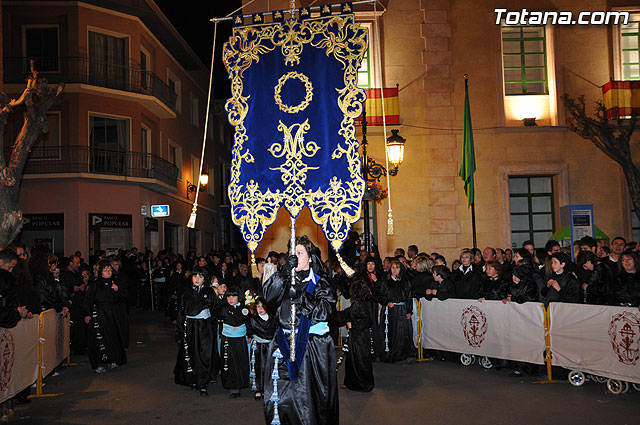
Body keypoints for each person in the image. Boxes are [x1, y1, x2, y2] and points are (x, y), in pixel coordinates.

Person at [262, 235, 338, 424]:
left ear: (310, 257)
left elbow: (325, 311)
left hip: (312, 347)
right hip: (282, 345)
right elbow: (268, 297)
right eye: (291, 254)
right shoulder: (284, 279)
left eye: (299, 253)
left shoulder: (321, 283)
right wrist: (283, 272)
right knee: (284, 400)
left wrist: (302, 298)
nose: (294, 257)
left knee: (308, 400)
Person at [174, 267, 216, 396]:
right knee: (190, 353)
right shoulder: (186, 293)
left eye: (200, 276)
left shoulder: (209, 292)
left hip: (204, 326)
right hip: (190, 326)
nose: (197, 279)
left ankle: (203, 383)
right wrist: (179, 330)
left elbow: (215, 310)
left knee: (204, 354)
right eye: (195, 276)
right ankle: (192, 378)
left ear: (204, 279)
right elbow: (181, 312)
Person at [83, 260, 127, 373]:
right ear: (101, 272)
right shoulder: (95, 285)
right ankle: (99, 363)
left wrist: (118, 290)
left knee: (113, 337)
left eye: (110, 270)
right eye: (105, 270)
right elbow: (88, 300)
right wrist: (87, 314)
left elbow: (123, 298)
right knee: (100, 339)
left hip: (112, 315)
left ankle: (112, 359)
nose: (108, 272)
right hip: (99, 314)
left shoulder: (114, 284)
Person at [337, 280, 375, 392]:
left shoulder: (359, 305)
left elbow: (367, 321)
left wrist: (352, 324)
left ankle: (363, 384)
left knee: (359, 361)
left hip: (360, 338)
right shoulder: (359, 304)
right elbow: (345, 314)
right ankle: (352, 382)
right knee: (353, 360)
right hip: (358, 337)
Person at [217, 286, 250, 398]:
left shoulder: (244, 309)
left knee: (241, 361)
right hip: (228, 338)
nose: (231, 299)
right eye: (228, 296)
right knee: (229, 362)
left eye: (234, 296)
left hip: (240, 338)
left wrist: (249, 334)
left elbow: (249, 322)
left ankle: (241, 383)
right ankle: (233, 386)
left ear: (239, 296)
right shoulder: (223, 308)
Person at [379, 260, 413, 363]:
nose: (394, 270)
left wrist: (409, 311)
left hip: (402, 310)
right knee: (391, 331)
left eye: (397, 268)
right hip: (390, 311)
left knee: (402, 332)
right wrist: (387, 302)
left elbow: (409, 296)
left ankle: (401, 353)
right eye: (392, 268)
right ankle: (389, 353)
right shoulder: (386, 282)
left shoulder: (405, 282)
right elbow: (380, 295)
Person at [247, 296, 276, 400]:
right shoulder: (253, 320)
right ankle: (259, 389)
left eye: (262, 306)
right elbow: (251, 330)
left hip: (271, 346)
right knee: (259, 367)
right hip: (259, 346)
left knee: (272, 367)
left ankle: (271, 389)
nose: (260, 308)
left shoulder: (273, 318)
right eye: (257, 306)